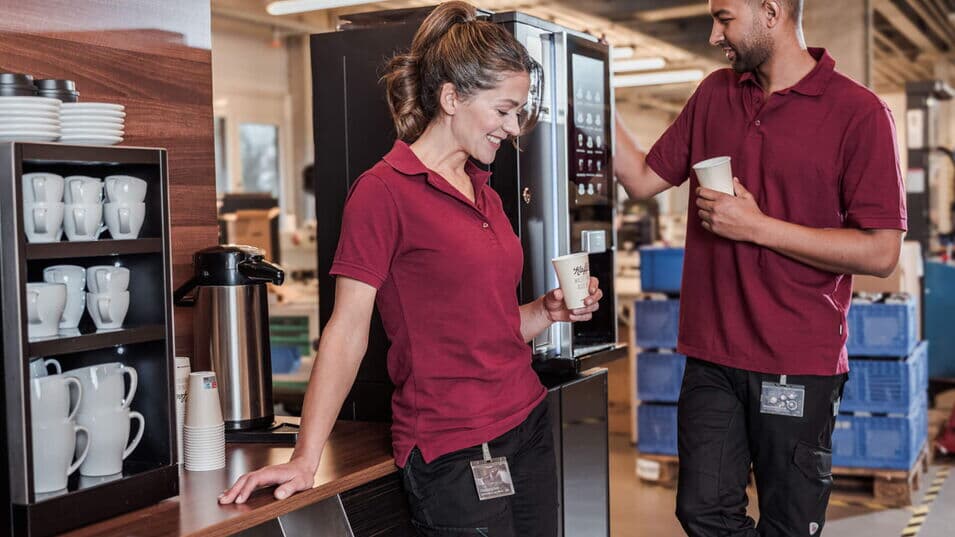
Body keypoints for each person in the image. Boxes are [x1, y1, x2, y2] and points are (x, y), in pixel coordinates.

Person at [219, 3, 603, 536]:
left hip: (527, 421)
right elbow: (346, 330)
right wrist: (306, 456)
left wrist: (546, 310)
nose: (513, 128)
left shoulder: (485, 192)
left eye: (518, 112)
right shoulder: (382, 192)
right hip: (454, 446)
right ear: (451, 98)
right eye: (503, 110)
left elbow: (488, 327)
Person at [614, 1, 905, 536]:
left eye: (724, 18)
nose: (713, 35)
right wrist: (586, 85)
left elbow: (882, 253)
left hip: (798, 358)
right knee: (701, 510)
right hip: (712, 354)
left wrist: (757, 227)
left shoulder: (860, 113)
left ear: (771, 11)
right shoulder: (714, 94)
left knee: (789, 523)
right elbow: (639, 179)